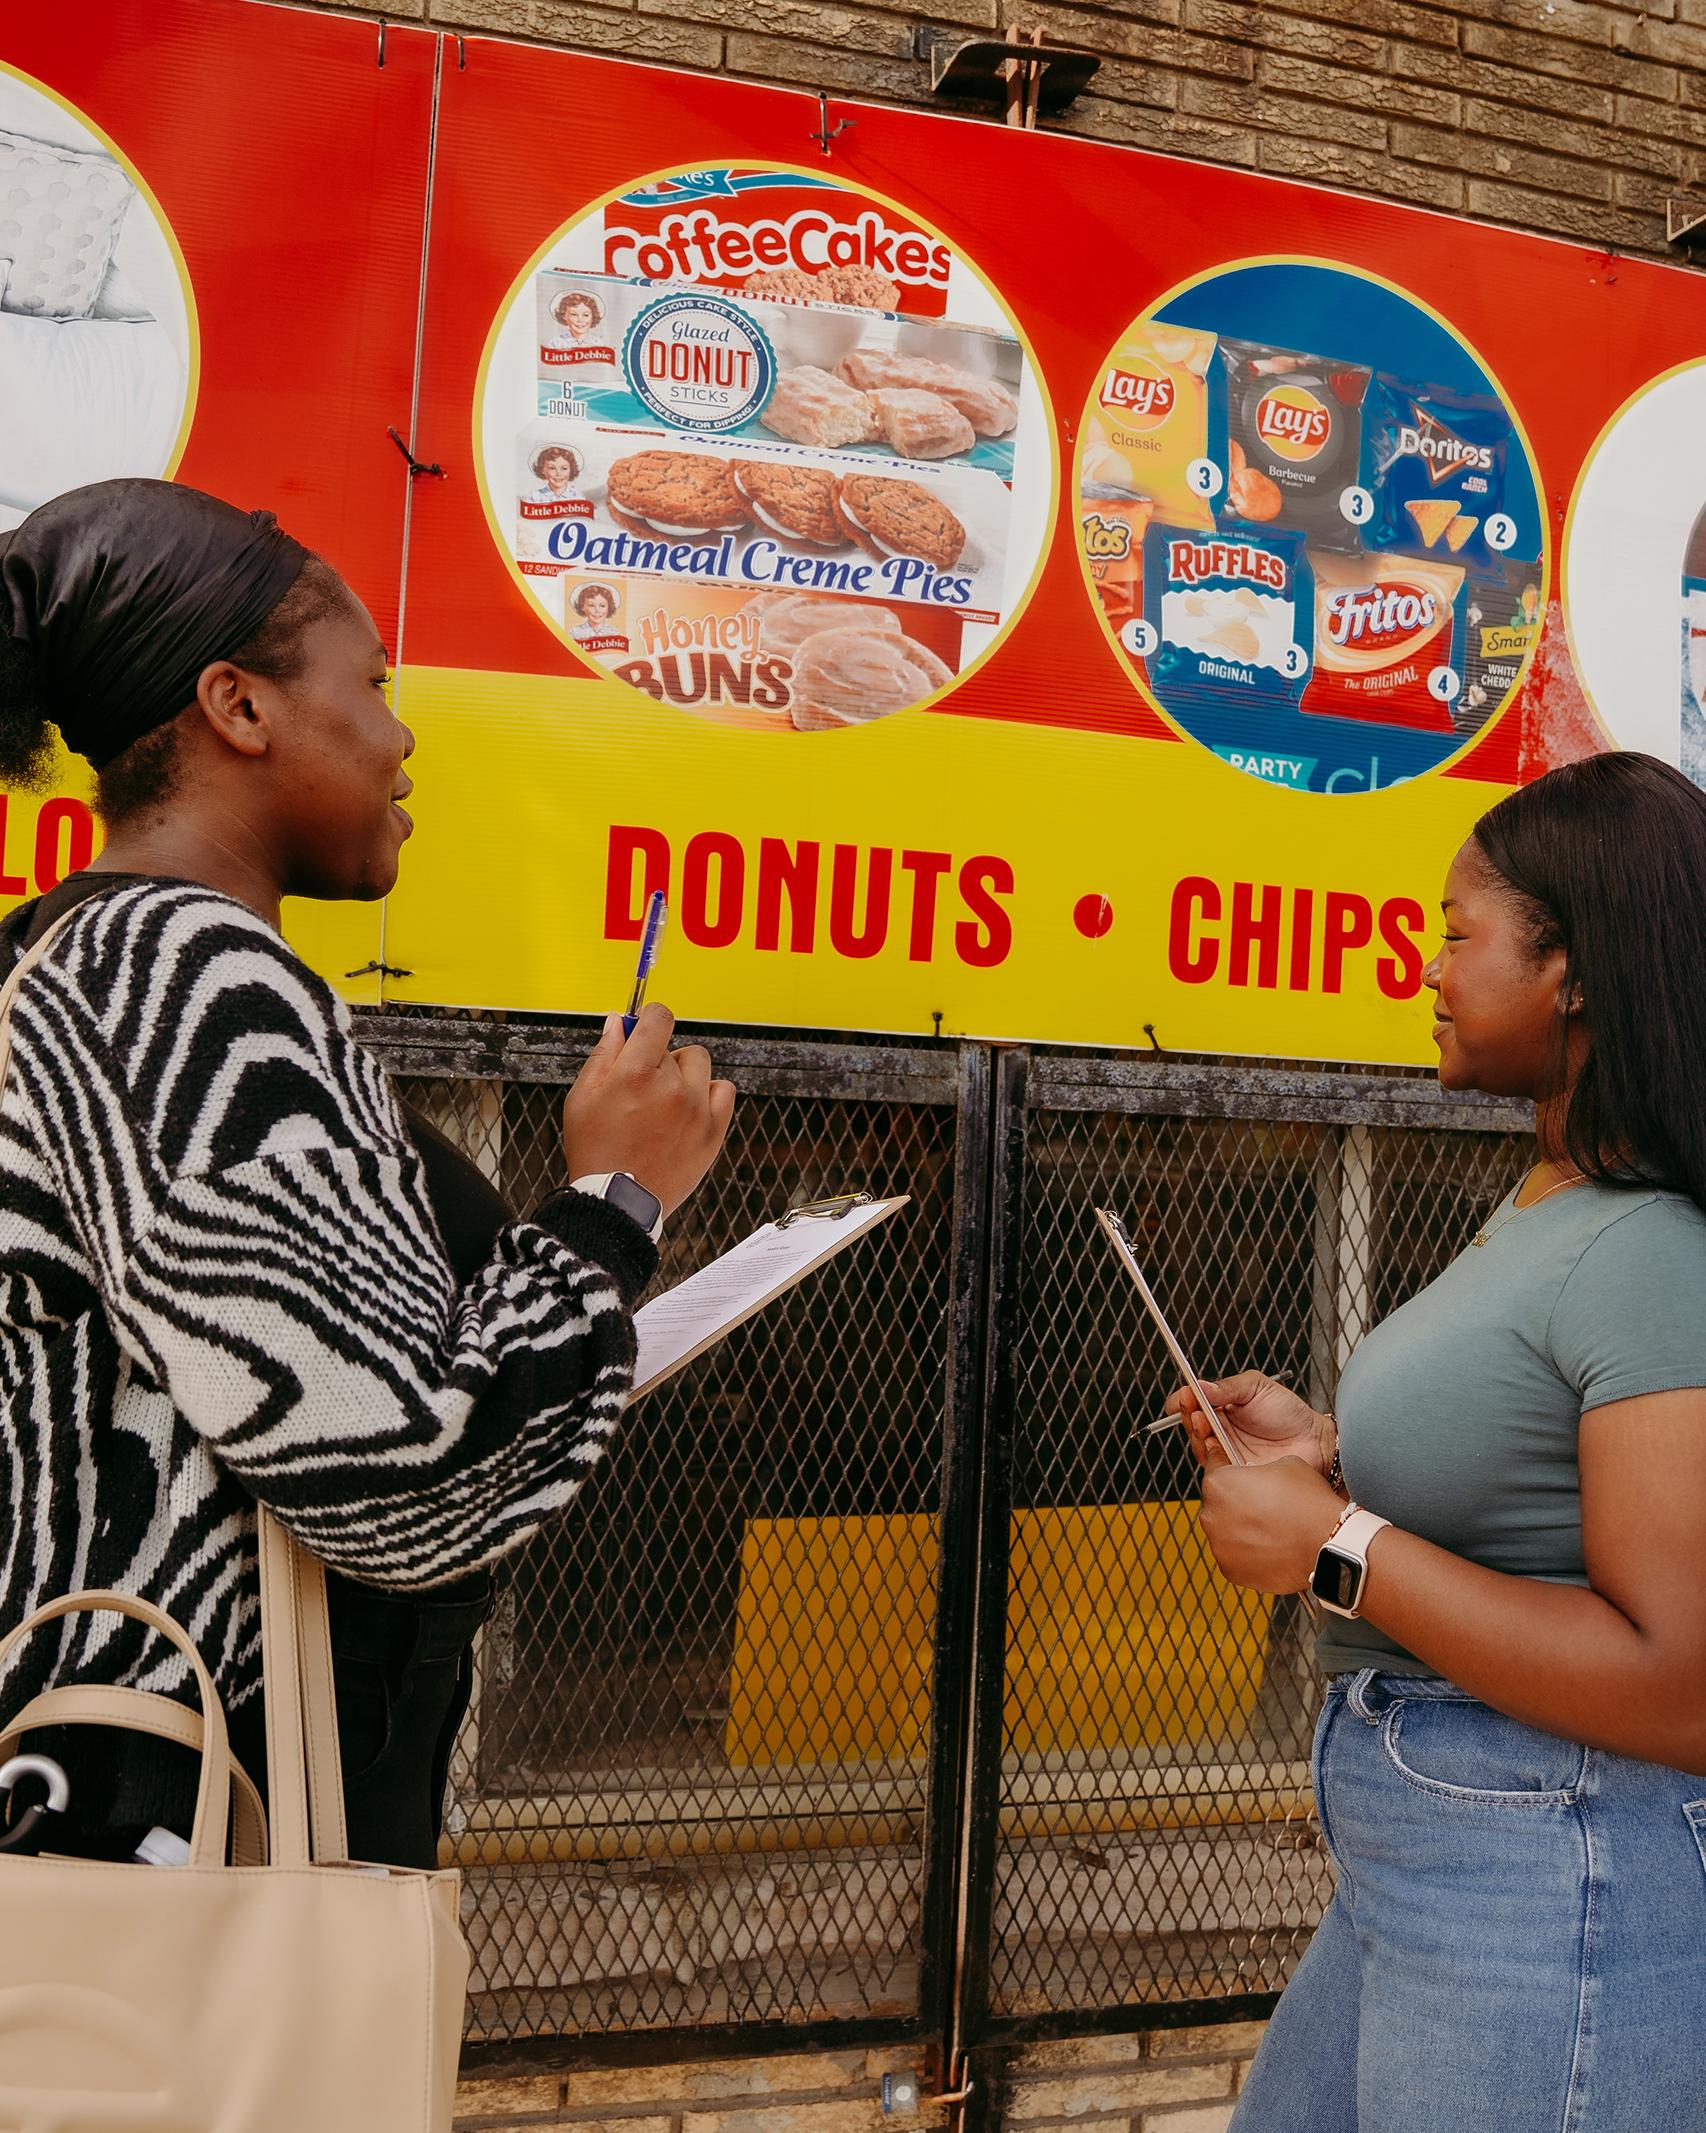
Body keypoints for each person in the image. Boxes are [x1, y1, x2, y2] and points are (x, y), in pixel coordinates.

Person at [0, 477, 734, 1868]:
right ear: (240, 706)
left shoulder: (77, 958)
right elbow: (410, 1483)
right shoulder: (182, 974)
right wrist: (613, 1204)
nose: (402, 737)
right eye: (376, 683)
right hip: (160, 1873)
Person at [1166, 752, 1706, 2132]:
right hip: (1438, 1851)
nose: (1426, 964)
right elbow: (1532, 1489)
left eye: (1459, 932)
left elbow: (1675, 1686)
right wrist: (1333, 1456)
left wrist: (1333, 1547)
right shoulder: (1547, 1202)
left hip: (1551, 1858)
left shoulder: (1649, 1249)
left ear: (1571, 970)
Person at [525, 443, 586, 508]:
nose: (558, 473)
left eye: (564, 468)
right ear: (542, 470)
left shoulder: (577, 496)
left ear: (571, 470)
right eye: (552, 468)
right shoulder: (534, 496)